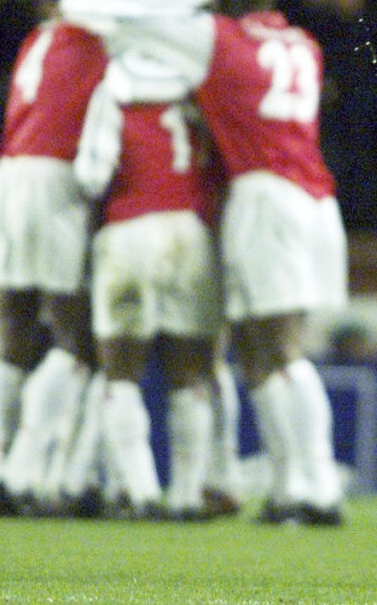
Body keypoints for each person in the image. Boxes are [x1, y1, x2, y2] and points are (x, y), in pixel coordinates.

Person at [59, 0, 349, 526]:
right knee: (259, 348)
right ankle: (291, 486)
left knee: (281, 348)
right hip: (316, 197)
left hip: (266, 195)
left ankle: (315, 486)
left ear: (220, 6)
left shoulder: (216, 37)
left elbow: (119, 22)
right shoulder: (304, 44)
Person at [0, 0, 138, 515]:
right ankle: (28, 476)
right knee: (76, 340)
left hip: (7, 178)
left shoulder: (41, 37)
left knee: (14, 333)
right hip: (53, 182)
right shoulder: (108, 40)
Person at [70, 51, 234, 520]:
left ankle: (141, 493)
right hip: (191, 235)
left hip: (131, 233)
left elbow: (92, 174)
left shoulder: (115, 91)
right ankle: (186, 495)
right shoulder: (197, 94)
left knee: (121, 373)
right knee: (190, 375)